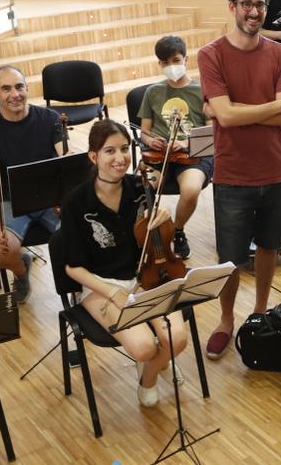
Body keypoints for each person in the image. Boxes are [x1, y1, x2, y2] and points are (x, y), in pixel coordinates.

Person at [198, 0, 281, 359]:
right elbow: (225, 114)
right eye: (246, 4)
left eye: (259, 4)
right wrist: (268, 107)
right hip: (232, 174)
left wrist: (234, 113)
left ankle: (258, 314)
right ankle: (225, 320)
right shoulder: (211, 55)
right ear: (232, 7)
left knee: (269, 250)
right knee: (229, 258)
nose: (254, 11)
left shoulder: (280, 55)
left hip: (276, 170)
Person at [56, 119, 189, 407]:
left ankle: (149, 376)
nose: (120, 158)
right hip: (101, 287)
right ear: (93, 156)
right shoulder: (76, 203)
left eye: (125, 149)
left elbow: (156, 235)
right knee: (142, 348)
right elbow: (72, 268)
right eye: (109, 151)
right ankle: (154, 362)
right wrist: (112, 291)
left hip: (147, 279)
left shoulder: (140, 187)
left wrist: (164, 213)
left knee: (177, 338)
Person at [0, 66, 65, 303]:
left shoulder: (51, 119)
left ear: (27, 88)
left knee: (77, 235)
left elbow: (67, 164)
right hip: (10, 201)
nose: (14, 94)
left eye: (19, 86)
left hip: (48, 198)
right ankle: (21, 271)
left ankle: (73, 284)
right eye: (6, 89)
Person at [138, 35, 214, 259]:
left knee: (190, 190)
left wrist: (185, 143)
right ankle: (145, 238)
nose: (171, 66)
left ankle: (177, 231)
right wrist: (150, 140)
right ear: (159, 64)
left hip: (193, 155)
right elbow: (144, 131)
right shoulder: (153, 92)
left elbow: (212, 133)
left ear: (185, 60)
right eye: (165, 62)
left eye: (176, 60)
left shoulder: (202, 91)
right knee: (140, 186)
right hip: (157, 156)